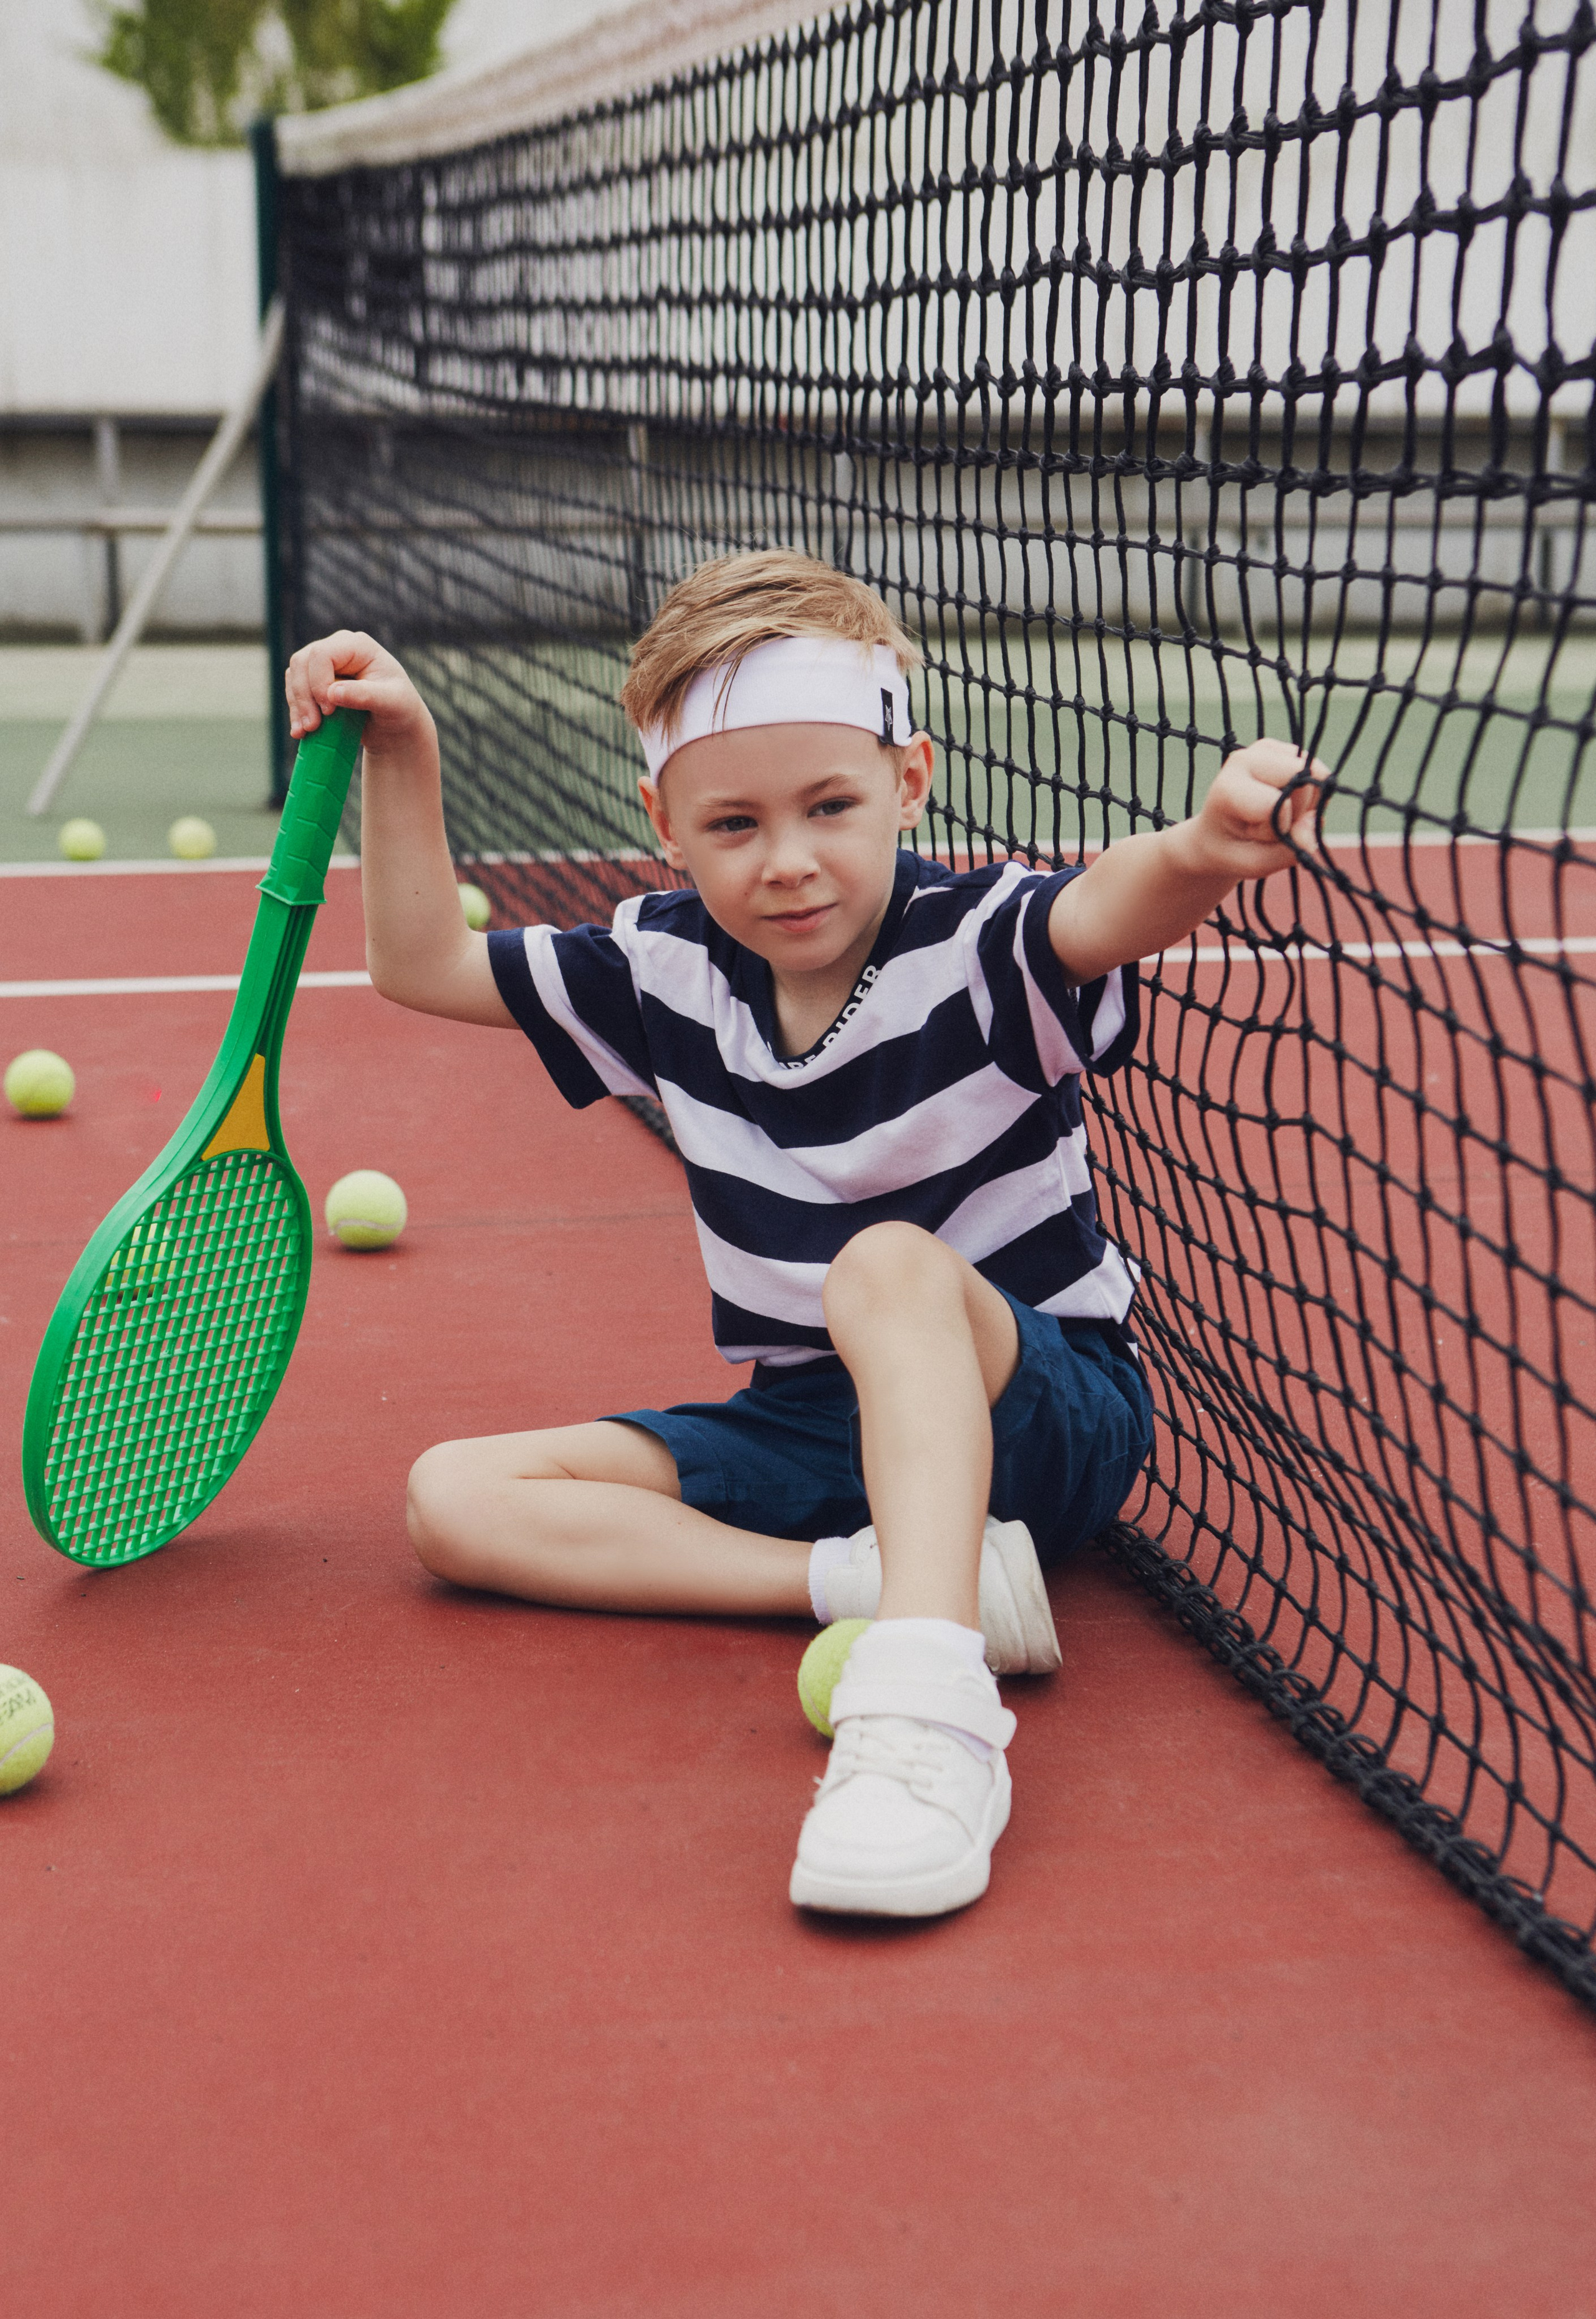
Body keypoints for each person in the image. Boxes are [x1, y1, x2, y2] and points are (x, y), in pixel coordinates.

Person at [284, 549, 1322, 1921]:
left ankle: (930, 1710)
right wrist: (405, 746)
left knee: (884, 1265)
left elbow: (1095, 908)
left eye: (830, 805)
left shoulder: (978, 947)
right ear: (663, 822)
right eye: (732, 825)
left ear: (909, 779)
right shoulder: (665, 971)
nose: (786, 861)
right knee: (453, 1499)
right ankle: (873, 1578)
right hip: (810, 1424)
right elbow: (423, 964)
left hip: (1040, 1405)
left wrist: (1197, 856)